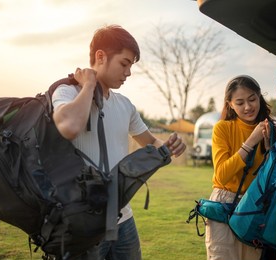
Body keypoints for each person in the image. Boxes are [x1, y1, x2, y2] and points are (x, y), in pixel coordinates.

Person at [51, 25, 186, 260]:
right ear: (100, 56)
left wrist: (170, 145)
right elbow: (70, 127)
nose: (128, 73)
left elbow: (150, 142)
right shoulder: (67, 92)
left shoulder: (125, 105)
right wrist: (89, 85)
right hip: (83, 223)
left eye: (131, 66)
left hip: (123, 218)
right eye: (124, 64)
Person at [205, 75, 276, 260]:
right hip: (224, 202)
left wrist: (269, 148)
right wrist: (251, 141)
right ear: (230, 104)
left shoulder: (271, 129)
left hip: (254, 205)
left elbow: (273, 177)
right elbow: (222, 175)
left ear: (260, 97)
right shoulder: (222, 128)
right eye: (240, 102)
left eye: (252, 99)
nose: (248, 107)